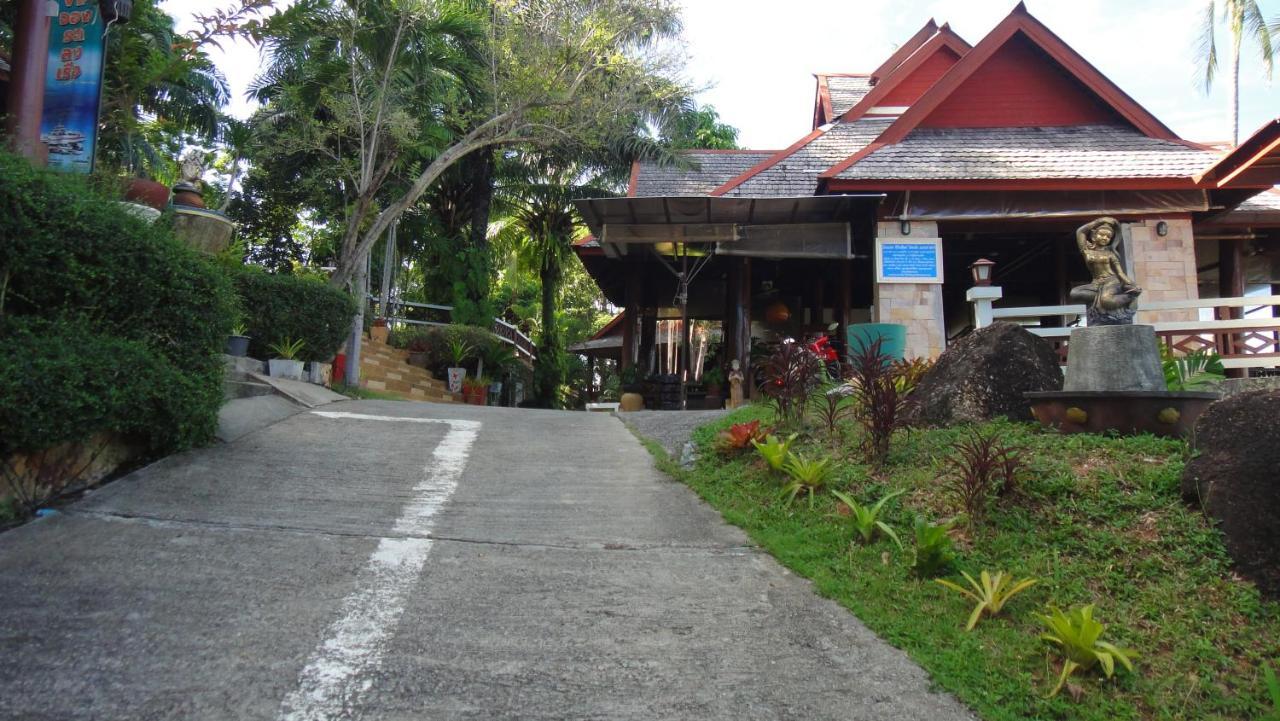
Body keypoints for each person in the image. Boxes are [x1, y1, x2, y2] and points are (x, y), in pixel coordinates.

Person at [1068, 217, 1142, 324]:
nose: (1104, 238)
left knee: (1106, 301)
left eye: (1108, 237)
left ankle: (1130, 297)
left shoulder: (1110, 254)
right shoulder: (1087, 251)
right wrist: (1099, 222)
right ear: (1093, 236)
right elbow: (1080, 232)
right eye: (1101, 235)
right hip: (1096, 283)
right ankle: (1103, 298)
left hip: (1112, 281)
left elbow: (1120, 273)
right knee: (1074, 293)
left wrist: (1131, 284)